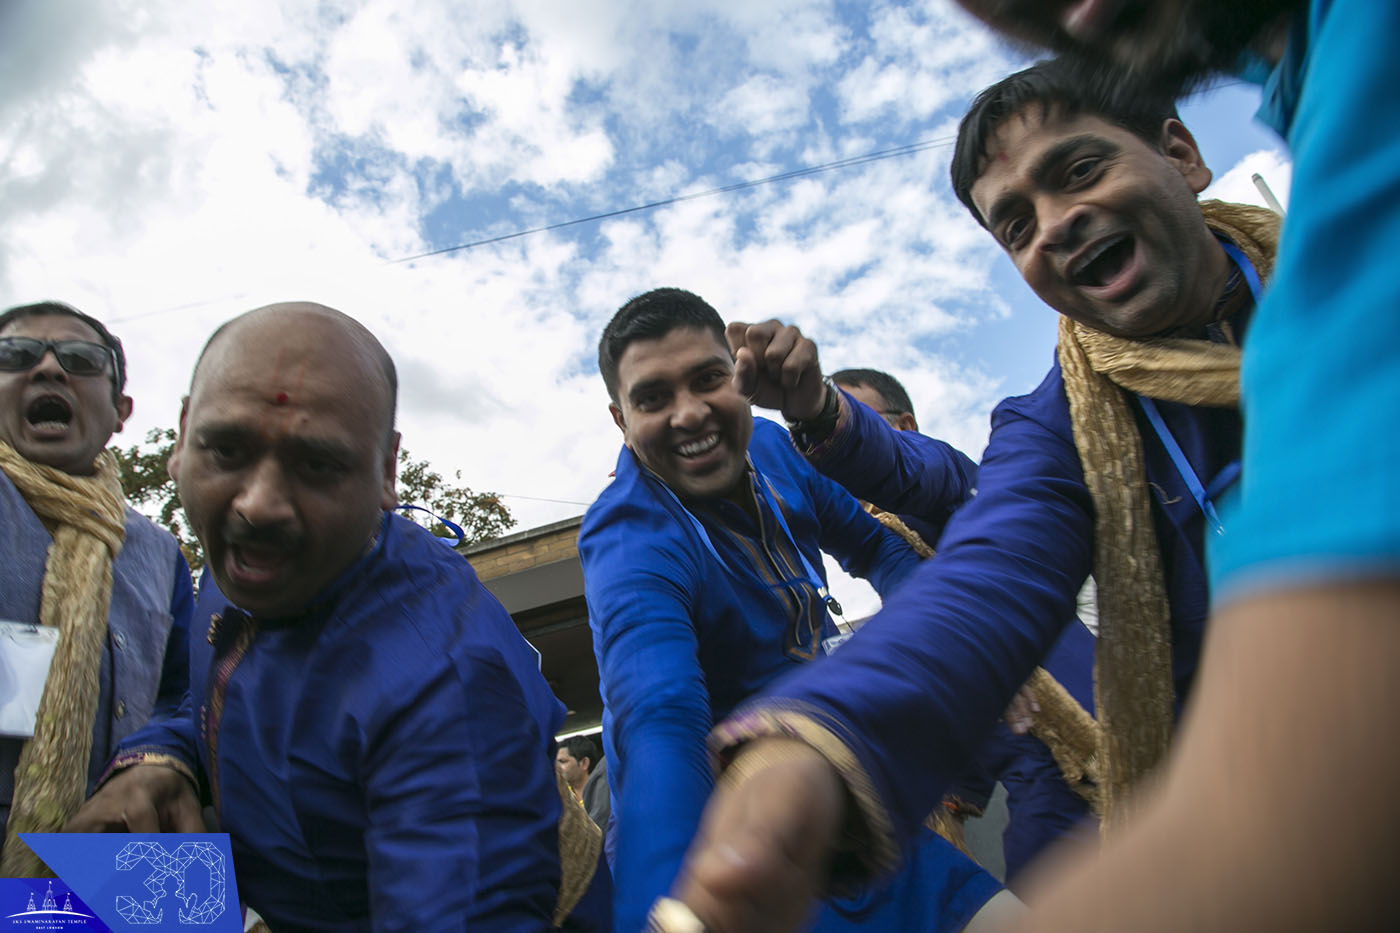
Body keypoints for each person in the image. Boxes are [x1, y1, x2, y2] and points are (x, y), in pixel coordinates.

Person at [665, 53, 1295, 930]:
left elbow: (921, 476)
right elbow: (984, 579)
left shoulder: (1352, 272)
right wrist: (814, 743)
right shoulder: (1051, 431)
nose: (1059, 223)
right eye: (1015, 224)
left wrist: (818, 407)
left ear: (1182, 153)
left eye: (1079, 171)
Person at [67, 302, 607, 930]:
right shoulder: (247, 559)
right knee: (36, 913)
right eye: (227, 448)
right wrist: (160, 762)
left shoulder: (449, 688)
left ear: (385, 472)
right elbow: (219, 699)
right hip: (265, 897)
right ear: (183, 437)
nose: (259, 504)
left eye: (318, 465)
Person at [581, 288, 1011, 932]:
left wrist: (961, 648)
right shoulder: (626, 537)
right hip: (726, 840)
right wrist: (673, 902)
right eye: (653, 398)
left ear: (739, 377)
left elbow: (880, 549)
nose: (690, 414)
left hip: (840, 795)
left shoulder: (776, 450)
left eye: (707, 380)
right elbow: (660, 719)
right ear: (621, 420)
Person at [824, 365, 1097, 887]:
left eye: (853, 423)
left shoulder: (944, 477)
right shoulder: (871, 536)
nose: (834, 448)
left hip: (1071, 728)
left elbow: (911, 471)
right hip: (1006, 736)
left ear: (904, 426)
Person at [0, 301, 192, 876]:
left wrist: (162, 761)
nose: (50, 369)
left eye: (82, 360)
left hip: (117, 860)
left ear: (120, 411)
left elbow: (190, 695)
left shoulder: (160, 553)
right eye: (16, 356)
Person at [557, 735, 597, 800]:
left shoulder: (603, 793)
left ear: (584, 763)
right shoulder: (559, 797)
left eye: (563, 761)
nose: (556, 768)